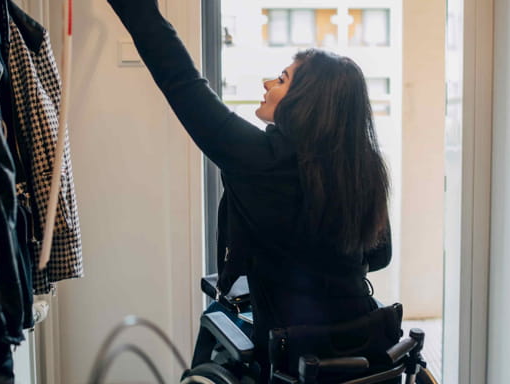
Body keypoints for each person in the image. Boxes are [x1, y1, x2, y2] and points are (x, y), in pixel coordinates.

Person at [107, 0, 393, 379]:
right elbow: (381, 256)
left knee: (216, 316)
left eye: (281, 79)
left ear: (305, 101)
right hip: (362, 343)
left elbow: (179, 78)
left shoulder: (259, 159)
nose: (267, 83)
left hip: (289, 351)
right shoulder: (362, 166)